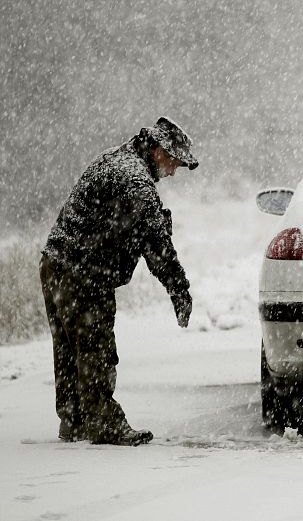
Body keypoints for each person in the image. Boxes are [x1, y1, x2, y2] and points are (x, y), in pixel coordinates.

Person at [40, 117, 198, 446]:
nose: (173, 172)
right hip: (83, 273)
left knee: (71, 351)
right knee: (96, 348)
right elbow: (156, 243)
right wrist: (179, 290)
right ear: (157, 151)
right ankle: (104, 424)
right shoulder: (135, 181)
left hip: (56, 264)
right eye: (173, 162)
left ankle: (74, 421)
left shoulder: (116, 158)